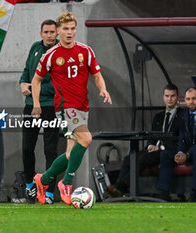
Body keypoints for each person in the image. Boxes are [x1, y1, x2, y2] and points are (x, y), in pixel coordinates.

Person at [31, 11, 112, 205]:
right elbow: (36, 80)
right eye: (65, 29)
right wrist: (36, 104)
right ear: (58, 31)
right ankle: (66, 183)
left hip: (83, 106)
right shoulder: (50, 55)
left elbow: (96, 74)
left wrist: (103, 89)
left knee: (70, 154)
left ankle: (42, 180)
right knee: (86, 138)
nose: (69, 32)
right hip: (65, 107)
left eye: (72, 29)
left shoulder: (86, 51)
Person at [106, 84, 181, 198]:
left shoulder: (182, 116)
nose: (169, 99)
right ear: (163, 97)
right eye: (167, 96)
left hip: (168, 150)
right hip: (154, 150)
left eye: (172, 96)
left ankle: (120, 187)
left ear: (177, 97)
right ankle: (119, 189)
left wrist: (160, 147)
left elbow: (179, 138)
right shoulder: (159, 117)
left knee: (142, 159)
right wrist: (150, 145)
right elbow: (152, 135)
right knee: (129, 158)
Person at [19, 19, 59, 204]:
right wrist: (22, 84)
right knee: (27, 147)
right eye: (47, 32)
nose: (50, 35)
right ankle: (29, 186)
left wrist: (36, 90)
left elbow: (54, 82)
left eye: (52, 32)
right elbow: (27, 72)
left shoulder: (62, 52)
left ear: (57, 33)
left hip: (51, 105)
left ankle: (49, 192)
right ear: (41, 33)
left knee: (50, 150)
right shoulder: (35, 47)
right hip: (30, 105)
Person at [157, 86, 196, 202]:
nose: (191, 102)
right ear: (184, 100)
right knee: (166, 154)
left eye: (194, 99)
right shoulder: (184, 115)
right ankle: (164, 193)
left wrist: (187, 154)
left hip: (194, 151)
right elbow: (182, 138)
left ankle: (194, 193)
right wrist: (180, 152)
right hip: (187, 150)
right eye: (188, 99)